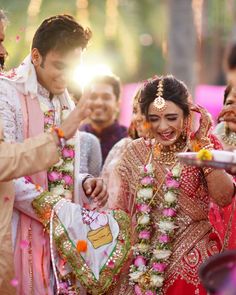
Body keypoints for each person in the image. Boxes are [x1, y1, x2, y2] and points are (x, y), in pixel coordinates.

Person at [0, 14, 108, 295]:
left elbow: (62, 169)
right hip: (14, 228)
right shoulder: (6, 92)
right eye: (59, 66)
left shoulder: (65, 100)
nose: (65, 76)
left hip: (59, 234)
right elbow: (8, 166)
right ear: (36, 56)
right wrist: (57, 209)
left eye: (72, 68)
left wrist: (84, 183)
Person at [108, 75, 234, 295]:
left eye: (171, 117)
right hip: (144, 267)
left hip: (194, 268)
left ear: (186, 115)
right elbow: (119, 214)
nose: (163, 127)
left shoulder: (203, 146)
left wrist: (203, 149)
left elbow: (224, 198)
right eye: (154, 119)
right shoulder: (134, 152)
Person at [80, 74, 128, 163]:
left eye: (106, 97)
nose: (98, 103)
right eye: (93, 97)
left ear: (117, 104)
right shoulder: (76, 136)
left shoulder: (128, 139)